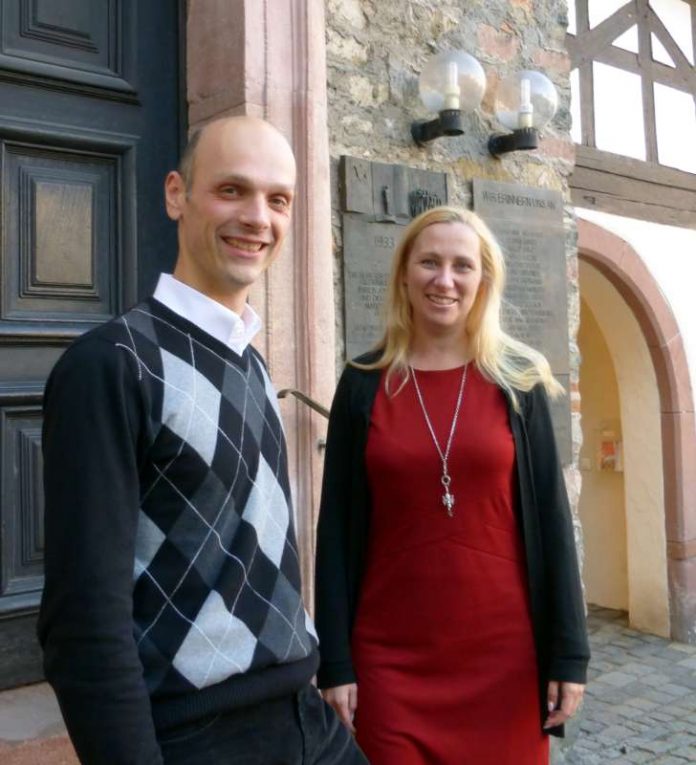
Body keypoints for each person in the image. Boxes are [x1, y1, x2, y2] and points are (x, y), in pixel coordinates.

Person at [38, 116, 368, 765]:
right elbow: (82, 623)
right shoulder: (112, 364)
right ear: (174, 195)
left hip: (304, 716)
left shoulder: (250, 360)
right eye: (231, 190)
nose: (258, 216)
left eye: (278, 199)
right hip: (199, 734)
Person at [314, 206, 590, 764]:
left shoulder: (519, 382)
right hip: (390, 660)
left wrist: (569, 655)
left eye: (462, 266)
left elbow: (554, 524)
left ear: (483, 279)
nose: (445, 280)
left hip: (506, 659)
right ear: (404, 275)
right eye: (429, 263)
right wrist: (335, 661)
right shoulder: (363, 384)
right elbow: (336, 531)